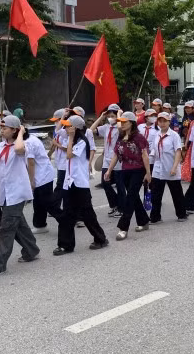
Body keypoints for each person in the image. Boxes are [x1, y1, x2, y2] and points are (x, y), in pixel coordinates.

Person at [0, 115, 40, 277]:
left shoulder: (23, 145)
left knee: (6, 227)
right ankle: (31, 250)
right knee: (18, 224)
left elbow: (18, 149)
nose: (2, 130)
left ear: (14, 130)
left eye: (5, 128)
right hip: (5, 193)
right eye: (1, 128)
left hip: (17, 192)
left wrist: (21, 133)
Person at [53, 116, 108, 255]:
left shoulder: (82, 141)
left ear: (75, 128)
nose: (65, 128)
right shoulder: (70, 139)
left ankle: (101, 239)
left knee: (87, 213)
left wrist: (71, 137)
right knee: (67, 214)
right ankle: (66, 245)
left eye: (68, 126)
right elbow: (57, 131)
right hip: (69, 182)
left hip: (80, 183)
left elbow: (69, 155)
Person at [104, 112, 151, 241]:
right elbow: (115, 155)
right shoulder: (120, 137)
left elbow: (145, 155)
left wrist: (148, 173)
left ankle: (123, 228)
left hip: (138, 170)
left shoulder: (139, 137)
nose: (122, 124)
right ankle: (144, 221)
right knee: (134, 197)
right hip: (125, 170)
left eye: (125, 122)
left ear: (132, 123)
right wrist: (109, 170)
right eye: (121, 121)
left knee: (129, 198)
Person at [149, 112, 187, 224]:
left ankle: (181, 214)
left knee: (176, 193)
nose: (162, 123)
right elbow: (154, 150)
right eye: (160, 121)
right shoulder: (156, 135)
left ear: (169, 122)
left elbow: (178, 151)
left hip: (171, 166)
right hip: (158, 167)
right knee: (156, 194)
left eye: (165, 121)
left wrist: (174, 167)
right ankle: (155, 217)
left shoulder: (174, 135)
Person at [26, 125, 64, 235]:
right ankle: (40, 225)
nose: (2, 131)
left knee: (48, 203)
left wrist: (31, 181)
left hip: (43, 175)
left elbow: (31, 163)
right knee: (38, 202)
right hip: (40, 174)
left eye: (5, 129)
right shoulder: (27, 140)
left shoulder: (29, 143)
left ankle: (65, 221)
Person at [90, 104, 125, 218]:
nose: (110, 118)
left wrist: (119, 115)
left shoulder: (122, 126)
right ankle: (114, 205)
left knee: (120, 185)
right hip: (107, 159)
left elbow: (120, 129)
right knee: (105, 183)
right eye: (109, 116)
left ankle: (122, 208)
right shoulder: (106, 127)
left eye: (112, 116)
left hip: (118, 160)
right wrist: (101, 117)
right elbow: (91, 130)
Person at [180, 100, 194, 182]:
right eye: (186, 108)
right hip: (186, 139)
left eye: (189, 108)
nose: (187, 109)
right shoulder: (185, 117)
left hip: (193, 140)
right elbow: (182, 128)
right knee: (186, 157)